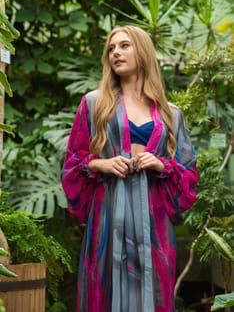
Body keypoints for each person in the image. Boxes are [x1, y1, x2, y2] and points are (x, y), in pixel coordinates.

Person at [62, 25, 199, 312]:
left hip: (154, 223)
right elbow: (72, 164)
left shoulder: (170, 113)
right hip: (109, 216)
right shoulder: (94, 103)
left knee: (152, 294)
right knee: (106, 290)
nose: (115, 53)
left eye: (124, 46)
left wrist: (162, 165)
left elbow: (188, 174)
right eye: (111, 48)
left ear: (143, 51)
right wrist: (100, 163)